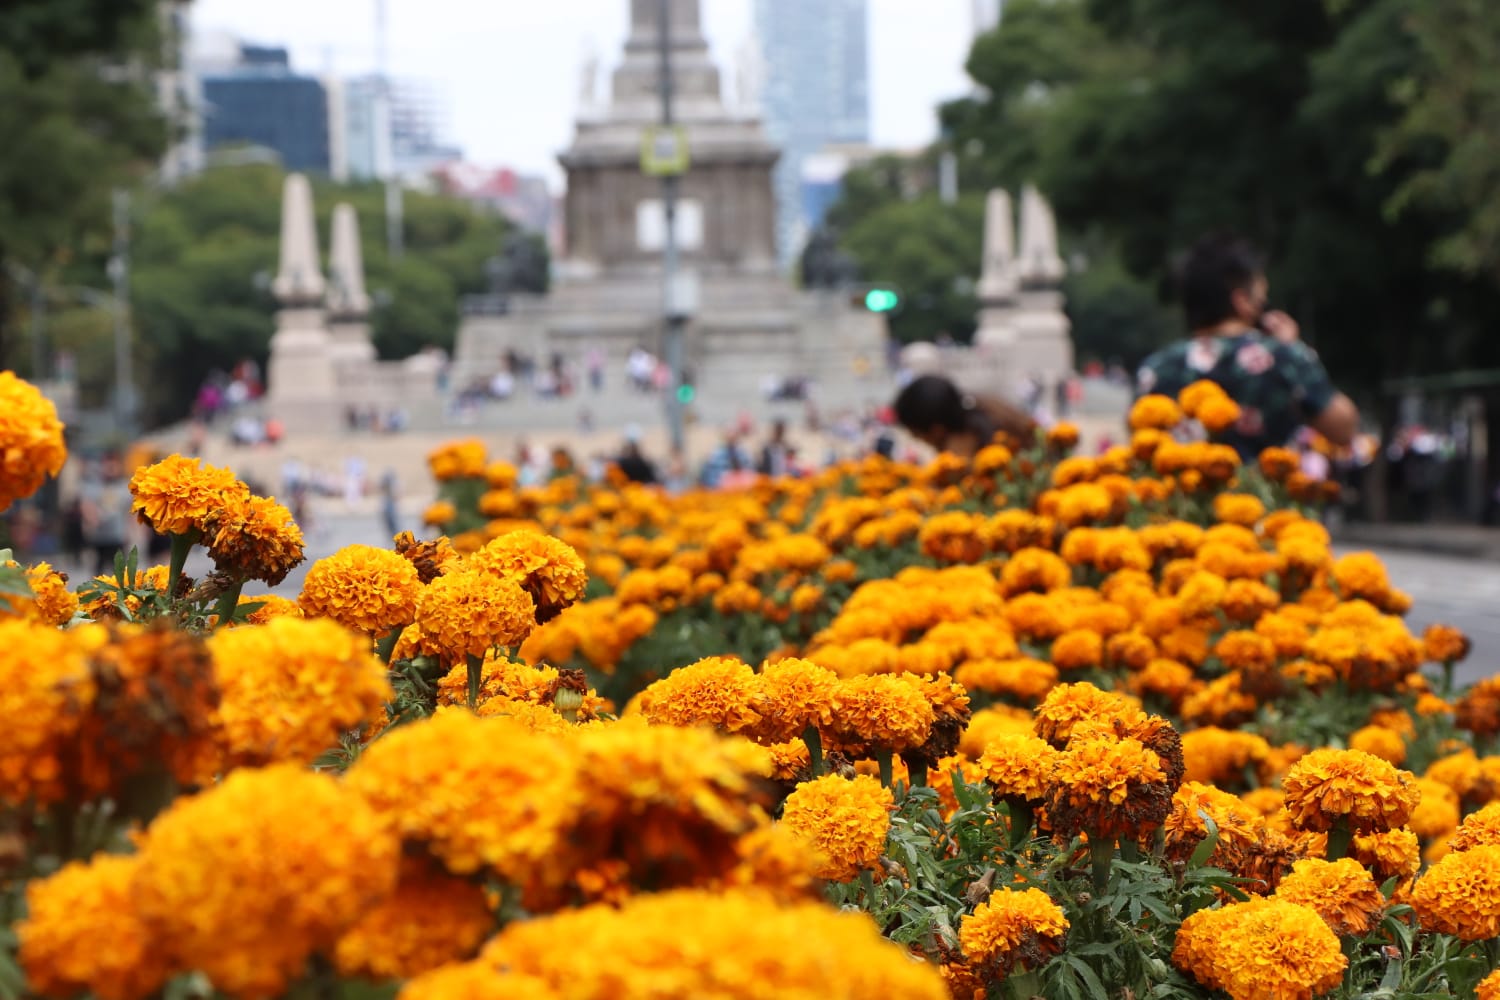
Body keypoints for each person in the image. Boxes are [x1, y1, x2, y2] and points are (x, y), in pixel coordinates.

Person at [1135, 234, 1359, 458]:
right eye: (1263, 299)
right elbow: (1344, 428)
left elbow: (1140, 442)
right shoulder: (1283, 357)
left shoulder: (1157, 368)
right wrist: (1296, 351)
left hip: (1184, 491)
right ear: (1242, 301)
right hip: (1263, 491)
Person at [893, 375, 1038, 459]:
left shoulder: (962, 455)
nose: (919, 441)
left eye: (916, 435)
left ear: (937, 430)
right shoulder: (985, 405)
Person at [78, 453, 131, 576]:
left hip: (118, 536)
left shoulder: (123, 486)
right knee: (98, 571)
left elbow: (129, 510)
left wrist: (130, 532)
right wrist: (91, 518)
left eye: (113, 466)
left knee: (119, 572)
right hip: (99, 536)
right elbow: (86, 504)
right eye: (107, 465)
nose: (110, 469)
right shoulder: (94, 486)